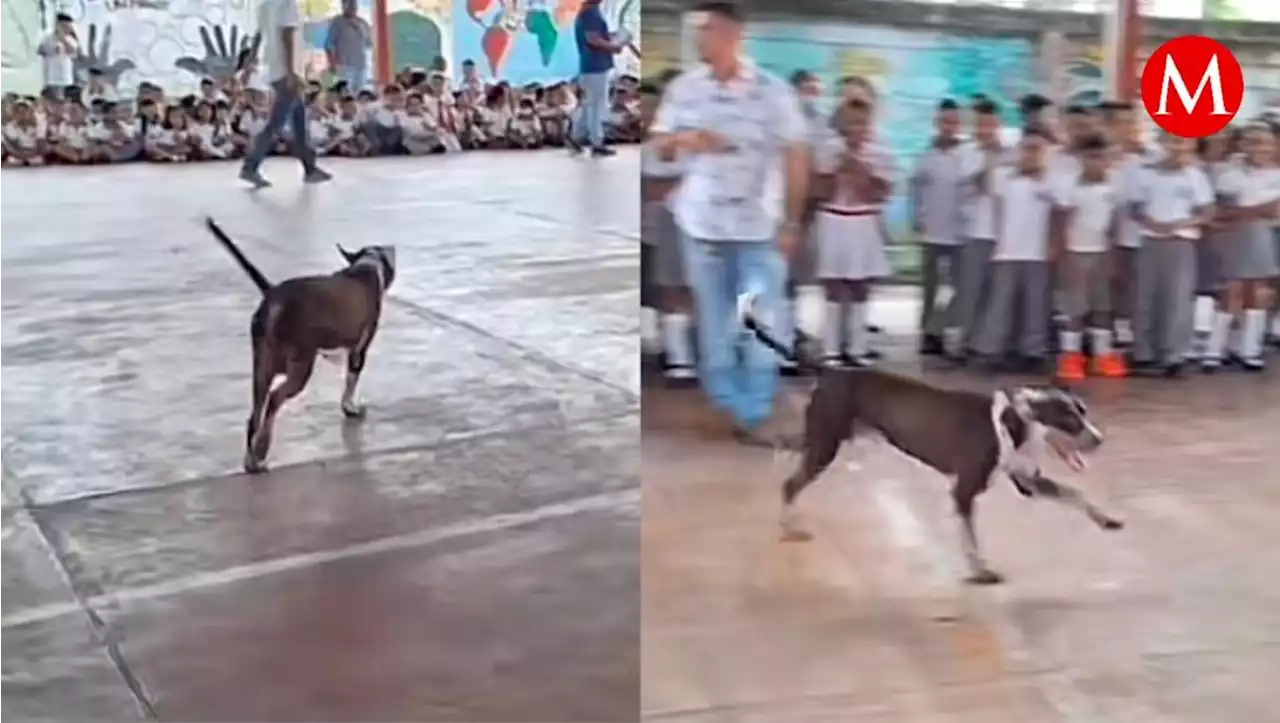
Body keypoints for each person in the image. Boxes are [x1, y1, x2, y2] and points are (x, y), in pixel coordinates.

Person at [650, 0, 809, 444]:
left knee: (760, 321)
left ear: (736, 34)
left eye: (709, 30)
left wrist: (792, 223)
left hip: (759, 228)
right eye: (698, 30)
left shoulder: (773, 91)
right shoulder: (685, 89)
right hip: (701, 228)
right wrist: (686, 138)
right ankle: (732, 405)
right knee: (716, 324)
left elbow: (796, 156)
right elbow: (660, 144)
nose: (701, 38)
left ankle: (755, 411)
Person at [810, 97, 894, 368]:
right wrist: (837, 169)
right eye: (851, 121)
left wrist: (860, 169)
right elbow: (819, 191)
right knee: (834, 285)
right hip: (834, 219)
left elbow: (880, 193)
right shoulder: (827, 150)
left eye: (862, 122)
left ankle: (857, 348)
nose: (857, 128)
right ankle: (831, 349)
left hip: (863, 220)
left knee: (861, 286)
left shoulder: (880, 153)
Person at [1127, 132, 1215, 376]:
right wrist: (1151, 222)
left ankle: (1173, 354)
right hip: (1151, 240)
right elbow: (1134, 207)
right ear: (1163, 143)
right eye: (1173, 142)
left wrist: (1181, 223)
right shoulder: (1145, 173)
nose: (1178, 148)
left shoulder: (1196, 176)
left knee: (1177, 299)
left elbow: (1207, 211)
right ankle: (1144, 352)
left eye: (1184, 143)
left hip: (1181, 242)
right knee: (1145, 296)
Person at [240, 0, 331, 188]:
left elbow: (258, 35)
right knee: (276, 123)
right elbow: (287, 36)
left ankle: (310, 168)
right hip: (286, 71)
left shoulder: (266, 6)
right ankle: (250, 166)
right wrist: (292, 73)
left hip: (274, 68)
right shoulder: (287, 5)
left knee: (300, 121)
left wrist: (250, 61)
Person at [570, 0, 626, 157]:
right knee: (596, 105)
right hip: (596, 64)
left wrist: (611, 38)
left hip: (589, 65)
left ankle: (575, 135)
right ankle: (596, 142)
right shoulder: (592, 13)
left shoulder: (585, 12)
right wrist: (613, 47)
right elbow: (592, 39)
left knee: (589, 103)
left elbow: (595, 36)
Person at [37, 14, 78, 99]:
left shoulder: (70, 38)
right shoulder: (47, 36)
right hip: (50, 76)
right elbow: (39, 50)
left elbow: (72, 50)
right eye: (64, 25)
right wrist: (48, 50)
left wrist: (62, 38)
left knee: (63, 99)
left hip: (65, 78)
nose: (67, 28)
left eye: (68, 26)